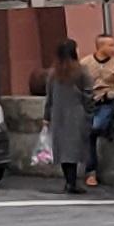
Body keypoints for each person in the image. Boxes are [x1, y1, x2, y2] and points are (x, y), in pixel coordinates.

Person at [46, 38, 95, 195]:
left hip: (58, 114)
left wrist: (46, 116)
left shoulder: (53, 73)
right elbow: (88, 94)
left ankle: (69, 181)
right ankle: (73, 182)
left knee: (63, 150)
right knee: (74, 149)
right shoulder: (81, 71)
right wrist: (89, 112)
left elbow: (49, 97)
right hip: (76, 114)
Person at [85, 32, 114, 189]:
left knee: (95, 127)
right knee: (88, 133)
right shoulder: (85, 63)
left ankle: (107, 128)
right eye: (110, 45)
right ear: (101, 46)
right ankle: (90, 172)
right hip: (90, 101)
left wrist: (111, 93)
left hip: (108, 101)